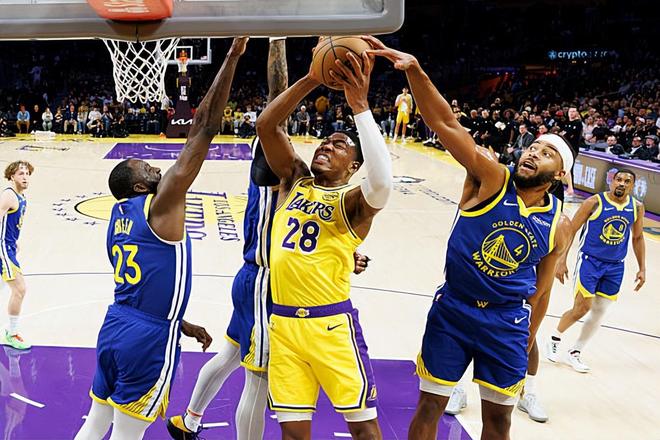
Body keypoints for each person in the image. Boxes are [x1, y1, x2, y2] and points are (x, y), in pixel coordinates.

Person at [364, 35, 572, 440]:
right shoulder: (492, 179)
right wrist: (416, 71)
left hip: (506, 321)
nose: (533, 153)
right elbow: (445, 124)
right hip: (454, 310)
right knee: (429, 407)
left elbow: (542, 291)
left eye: (546, 153)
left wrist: (527, 335)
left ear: (560, 174)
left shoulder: (558, 224)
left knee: (498, 422)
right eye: (533, 147)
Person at [166, 38, 371, 440]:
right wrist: (277, 39)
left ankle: (188, 421)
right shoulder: (281, 165)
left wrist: (348, 254)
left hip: (254, 277)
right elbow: (276, 104)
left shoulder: (301, 178)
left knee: (230, 353)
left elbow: (312, 232)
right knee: (259, 380)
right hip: (265, 284)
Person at [74, 37, 248, 440]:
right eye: (148, 168)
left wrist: (180, 322)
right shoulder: (160, 203)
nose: (157, 169)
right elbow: (203, 128)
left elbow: (140, 286)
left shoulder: (117, 219)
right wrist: (232, 57)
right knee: (127, 434)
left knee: (96, 423)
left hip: (116, 326)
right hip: (147, 340)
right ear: (139, 186)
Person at [256, 49, 392, 439]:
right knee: (293, 434)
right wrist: (312, 78)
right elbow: (267, 125)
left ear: (354, 166)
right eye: (325, 141)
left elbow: (382, 183)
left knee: (364, 430)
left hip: (330, 326)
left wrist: (360, 107)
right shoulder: (294, 179)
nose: (326, 146)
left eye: (339, 145)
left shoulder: (352, 202)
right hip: (283, 324)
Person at [548, 169, 646, 373]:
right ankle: (554, 338)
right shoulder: (594, 202)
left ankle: (575, 351)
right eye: (619, 179)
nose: (622, 183)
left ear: (632, 186)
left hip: (616, 266)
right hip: (589, 262)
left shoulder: (636, 207)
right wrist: (561, 260)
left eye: (627, 181)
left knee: (599, 311)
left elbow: (637, 238)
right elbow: (571, 230)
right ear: (612, 182)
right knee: (581, 308)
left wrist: (642, 268)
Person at [0, 161, 34, 350]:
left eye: (27, 173)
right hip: (2, 248)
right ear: (12, 176)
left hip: (9, 246)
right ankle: (12, 334)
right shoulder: (9, 195)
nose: (25, 177)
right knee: (19, 289)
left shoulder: (22, 197)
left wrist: (14, 241)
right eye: (21, 173)